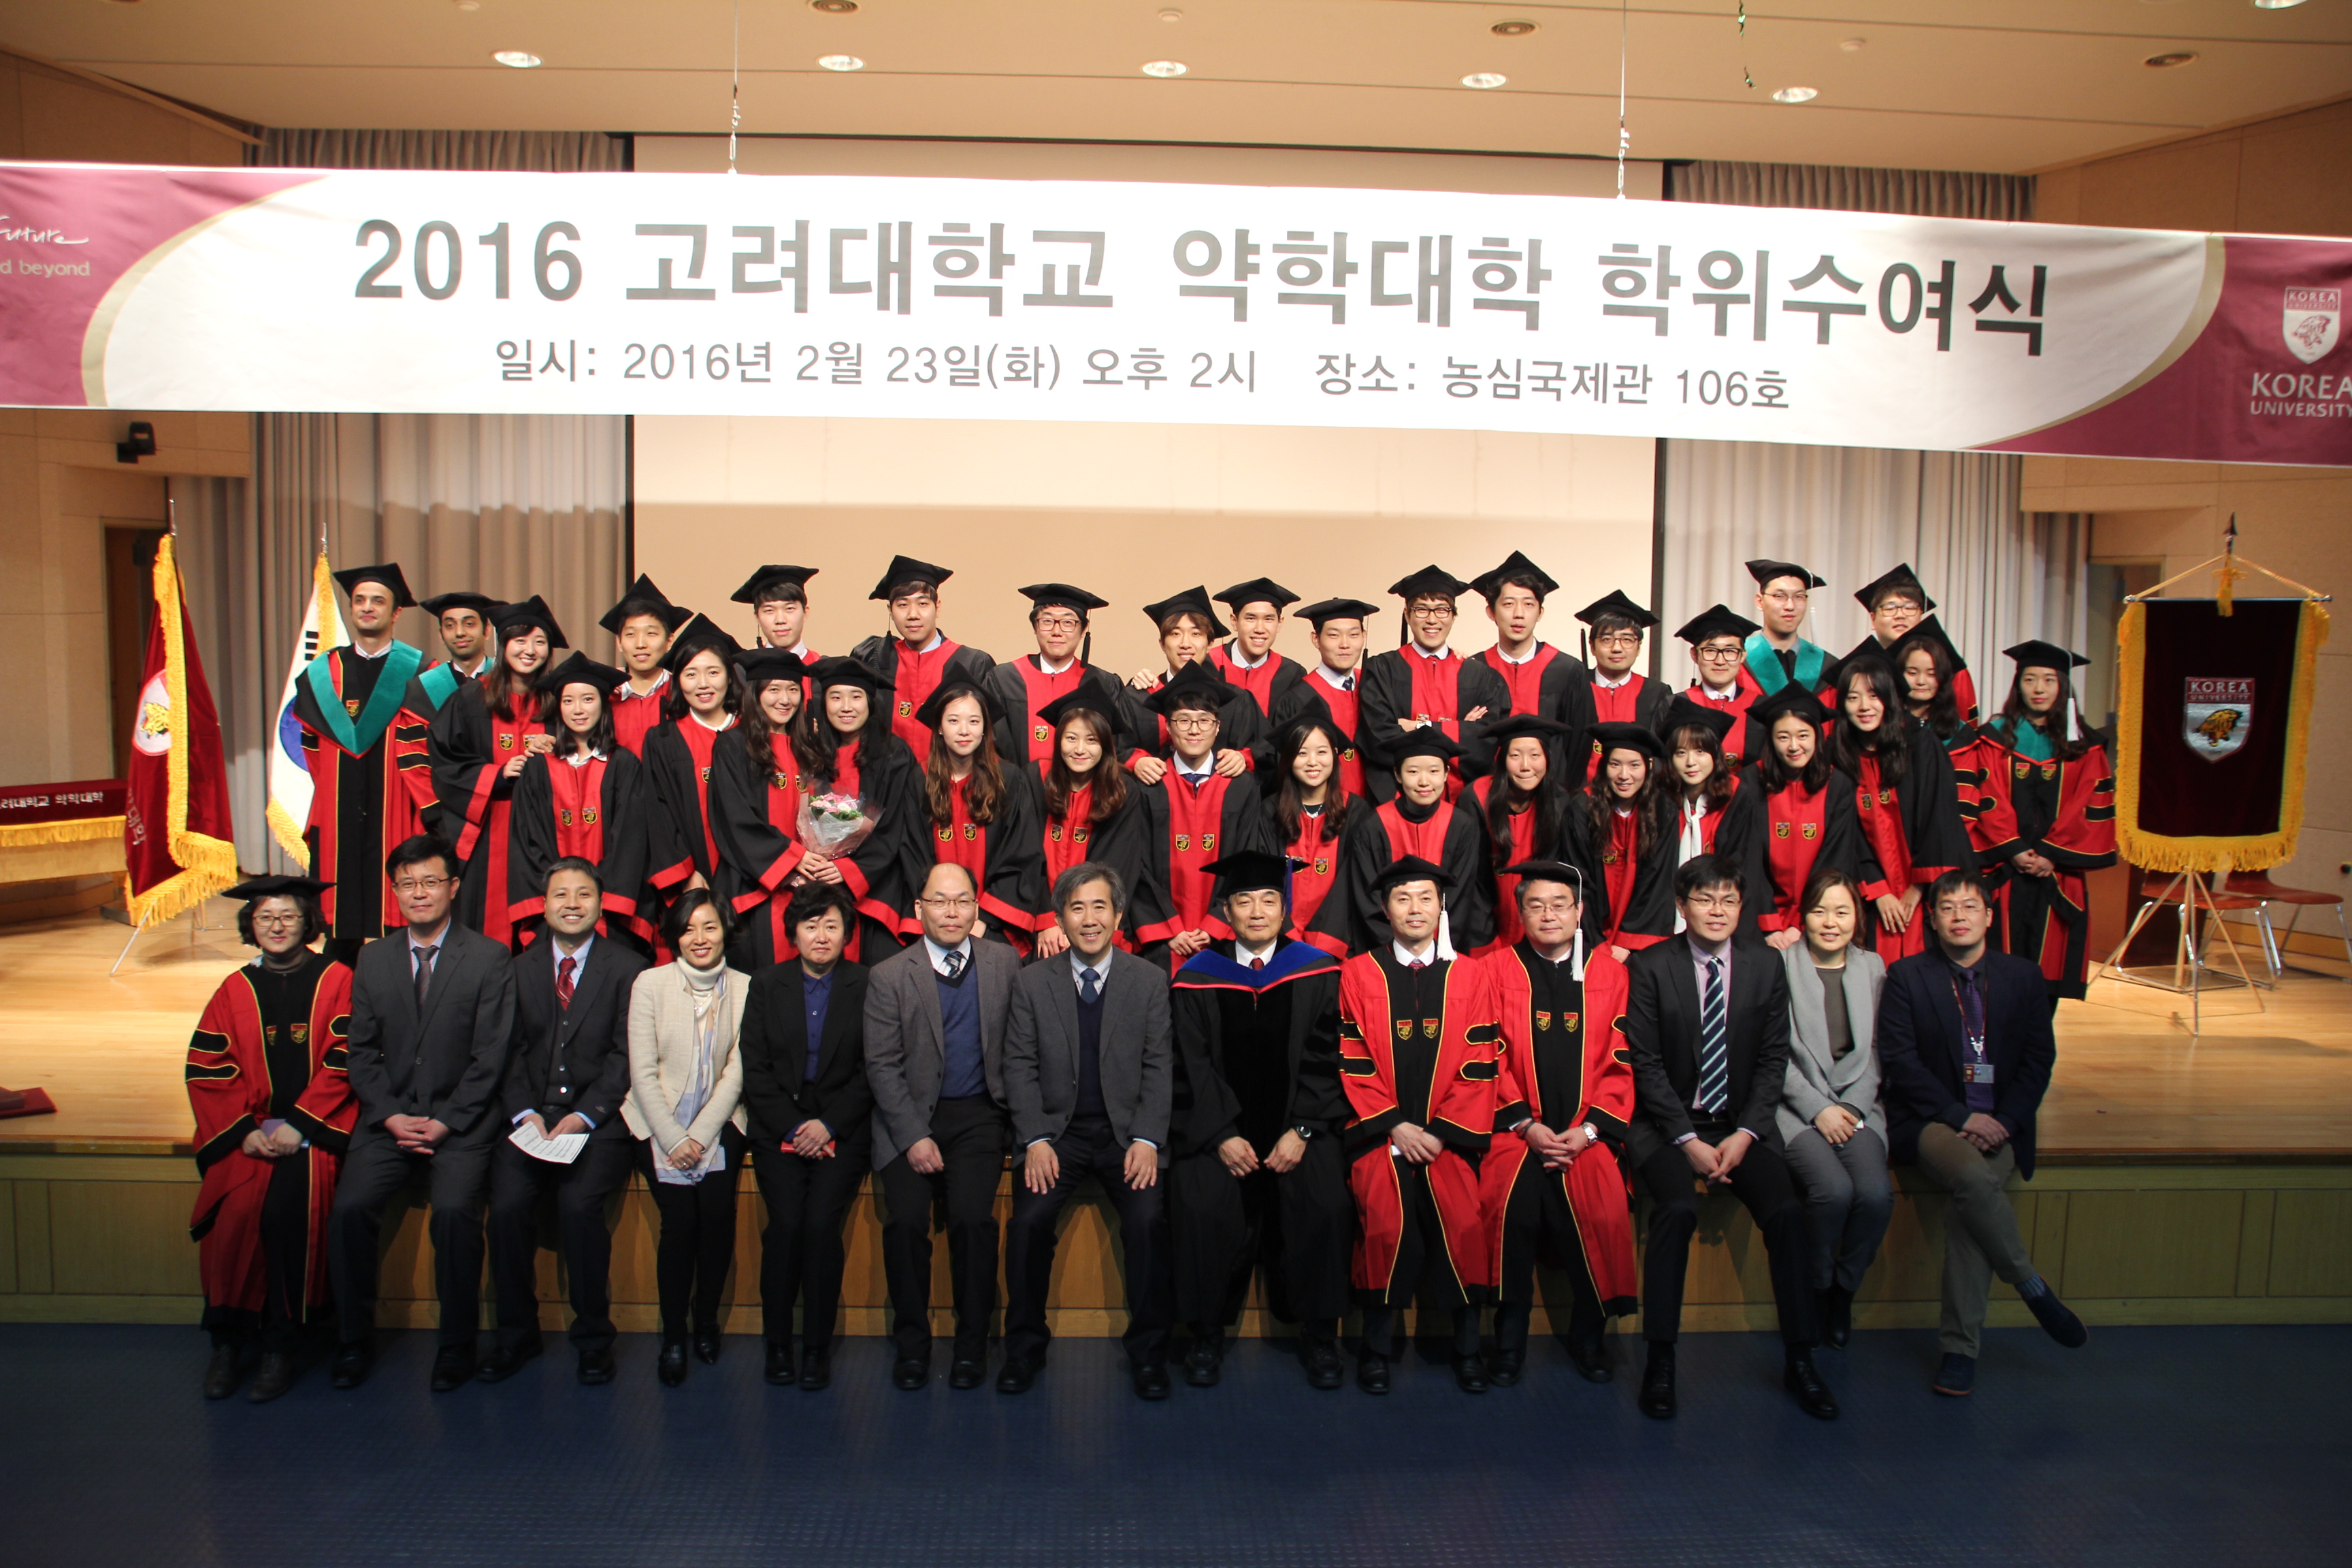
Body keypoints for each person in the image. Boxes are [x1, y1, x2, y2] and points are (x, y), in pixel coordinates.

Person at [1623, 853, 1836, 1422]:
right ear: (1681, 905)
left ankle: (1801, 1358)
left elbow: (1772, 1060)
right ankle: (1661, 1360)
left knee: (1787, 1212)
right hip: (1667, 1125)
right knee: (1675, 1210)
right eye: (1704, 899)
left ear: (1742, 907)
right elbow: (1644, 1064)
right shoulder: (1650, 966)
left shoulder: (1766, 964)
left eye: (1729, 900)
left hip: (1739, 1125)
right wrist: (1686, 1139)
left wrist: (1745, 1134)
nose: (1717, 910)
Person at [1877, 868, 2087, 1397]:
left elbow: (2038, 1060)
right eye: (1947, 908)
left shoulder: (2023, 977)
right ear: (1932, 919)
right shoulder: (1907, 976)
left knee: (1971, 1208)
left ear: (1989, 917)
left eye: (1970, 907)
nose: (1959, 917)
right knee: (1973, 1178)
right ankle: (2030, 1285)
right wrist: (1961, 1116)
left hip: (2002, 1122)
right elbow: (1901, 1063)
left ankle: (1959, 1351)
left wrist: (2008, 1121)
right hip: (1932, 1120)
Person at [327, 833, 518, 1393]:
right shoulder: (373, 957)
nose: (419, 893)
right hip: (389, 1121)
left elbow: (491, 1057)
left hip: (459, 1123)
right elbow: (360, 1052)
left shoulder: (488, 958)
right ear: (394, 892)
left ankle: (456, 1346)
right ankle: (352, 1341)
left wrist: (446, 1121)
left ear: (453, 887)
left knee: (456, 1214)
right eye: (407, 884)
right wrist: (389, 1116)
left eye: (430, 882)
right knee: (350, 1209)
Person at [1167, 850, 1352, 1390]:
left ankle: (1320, 1333)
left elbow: (1329, 1056)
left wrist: (1303, 1130)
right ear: (1225, 911)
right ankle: (1205, 1332)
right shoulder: (1197, 976)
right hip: (1220, 1133)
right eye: (1244, 901)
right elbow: (1189, 1063)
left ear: (1284, 909)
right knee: (1198, 1201)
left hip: (1299, 1130)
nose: (1256, 912)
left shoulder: (1318, 970)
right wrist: (1221, 1134)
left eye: (1268, 900)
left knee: (1326, 1201)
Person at [1000, 863, 1177, 1400]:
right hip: (1059, 1137)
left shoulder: (1149, 980)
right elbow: (1018, 1065)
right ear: (1060, 919)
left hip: (1127, 1137)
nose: (1089, 918)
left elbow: (1159, 1066)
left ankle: (1149, 1353)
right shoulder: (1031, 982)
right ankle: (1023, 1348)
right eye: (1076, 908)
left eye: (1100, 907)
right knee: (1028, 1223)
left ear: (1119, 916)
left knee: (1148, 1222)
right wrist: (1035, 1139)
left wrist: (1147, 1138)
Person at [185, 875, 355, 1404]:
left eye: (288, 916)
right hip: (251, 1131)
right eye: (265, 917)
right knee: (234, 1215)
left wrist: (300, 1123)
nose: (277, 926)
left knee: (289, 1211)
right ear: (251, 925)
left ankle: (282, 1344)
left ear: (308, 922)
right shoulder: (233, 989)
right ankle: (227, 1341)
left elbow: (347, 1058)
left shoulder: (337, 979)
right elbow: (209, 1067)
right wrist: (242, 1131)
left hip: (313, 1130)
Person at [1336, 856, 1503, 1394]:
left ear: (1441, 907)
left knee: (1464, 1226)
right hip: (1381, 1135)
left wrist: (1439, 1131)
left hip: (1448, 1137)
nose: (1415, 908)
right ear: (1385, 909)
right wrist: (1395, 1127)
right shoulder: (1358, 972)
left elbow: (1481, 1060)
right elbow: (1353, 1057)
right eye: (1403, 898)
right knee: (1383, 1227)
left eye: (1426, 898)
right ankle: (1376, 1349)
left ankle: (1468, 1348)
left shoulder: (1471, 974)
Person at [483, 857, 647, 1386]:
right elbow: (505, 1052)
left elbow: (626, 1056)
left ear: (600, 904)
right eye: (561, 895)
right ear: (544, 904)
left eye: (583, 895)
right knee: (506, 1208)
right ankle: (516, 1334)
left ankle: (594, 1338)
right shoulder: (516, 968)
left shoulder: (628, 967)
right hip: (530, 1118)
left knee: (579, 1208)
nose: (572, 904)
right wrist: (524, 1112)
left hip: (597, 1121)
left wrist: (584, 1115)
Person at [863, 862, 1022, 1392]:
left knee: (974, 1222)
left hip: (979, 1115)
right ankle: (913, 1347)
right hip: (909, 1115)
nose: (951, 911)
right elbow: (882, 1066)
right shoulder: (889, 974)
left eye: (961, 901)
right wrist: (913, 1136)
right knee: (906, 1222)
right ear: (919, 909)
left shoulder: (1004, 962)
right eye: (939, 901)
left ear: (976, 908)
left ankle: (972, 1347)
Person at [1480, 861, 1639, 1386]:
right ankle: (1509, 1338)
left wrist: (1589, 1131)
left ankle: (1589, 1335)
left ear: (1579, 911)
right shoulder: (1493, 971)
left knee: (1604, 1207)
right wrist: (1526, 1125)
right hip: (1515, 1130)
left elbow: (1621, 1059)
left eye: (1559, 905)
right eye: (1536, 906)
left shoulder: (1610, 974)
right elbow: (1487, 1056)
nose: (1548, 915)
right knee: (1510, 1208)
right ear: (1520, 913)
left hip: (1585, 1133)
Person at [736, 880, 872, 1391]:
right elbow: (755, 1067)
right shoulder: (767, 984)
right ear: (793, 932)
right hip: (780, 1125)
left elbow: (873, 1067)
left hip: (843, 1125)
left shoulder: (868, 984)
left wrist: (828, 1125)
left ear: (847, 934)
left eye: (831, 926)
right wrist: (795, 1128)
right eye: (811, 925)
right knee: (786, 1225)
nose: (821, 936)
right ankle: (778, 1343)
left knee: (820, 1226)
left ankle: (816, 1347)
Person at [623, 887, 749, 1386]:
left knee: (716, 1218)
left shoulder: (745, 987)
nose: (700, 938)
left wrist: (701, 1133)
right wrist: (675, 1138)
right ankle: (674, 1335)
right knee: (680, 1223)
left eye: (710, 927)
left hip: (720, 1121)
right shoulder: (649, 984)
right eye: (689, 928)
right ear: (675, 935)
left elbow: (737, 1071)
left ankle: (706, 1322)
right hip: (657, 1121)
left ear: (725, 931)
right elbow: (642, 1073)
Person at [1773, 867, 1891, 1353]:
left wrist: (1850, 1106)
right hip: (1794, 1106)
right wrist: (1818, 1108)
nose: (1830, 922)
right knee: (1833, 1192)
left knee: (1875, 1195)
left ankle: (1845, 1288)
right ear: (1803, 916)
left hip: (1856, 1104)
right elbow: (1771, 1053)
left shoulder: (1873, 967)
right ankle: (1818, 1286)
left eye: (1841, 912)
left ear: (1856, 917)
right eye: (1819, 911)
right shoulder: (1780, 965)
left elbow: (1879, 1050)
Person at [1973, 642, 2119, 1007]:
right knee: (1997, 976)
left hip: (2058, 872)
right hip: (2005, 869)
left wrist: (2051, 854)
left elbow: (2086, 803)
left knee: (2048, 975)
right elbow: (1988, 796)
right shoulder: (1994, 738)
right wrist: (2015, 848)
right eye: (2030, 679)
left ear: (2063, 687)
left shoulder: (2085, 746)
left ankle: (2038, 1042)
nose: (2039, 688)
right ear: (2018, 685)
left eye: (2049, 680)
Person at [296, 564, 426, 960]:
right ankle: (337, 991)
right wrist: (335, 790)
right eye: (360, 600)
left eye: (378, 601)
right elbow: (312, 748)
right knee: (341, 923)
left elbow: (427, 750)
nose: (368, 608)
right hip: (339, 810)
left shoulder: (420, 672)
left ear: (396, 612)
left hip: (396, 813)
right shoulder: (322, 674)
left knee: (398, 925)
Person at [506, 652, 676, 955]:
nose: (578, 709)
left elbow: (630, 842)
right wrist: (560, 896)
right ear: (558, 707)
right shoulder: (537, 768)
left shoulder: (624, 765)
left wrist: (597, 898)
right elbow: (527, 841)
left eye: (588, 699)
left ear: (602, 704)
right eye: (568, 701)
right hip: (552, 915)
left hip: (612, 915)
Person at [425, 594, 561, 949]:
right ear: (502, 645)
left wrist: (556, 751)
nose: (529, 650)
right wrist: (496, 775)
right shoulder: (469, 700)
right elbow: (445, 761)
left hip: (544, 830)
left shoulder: (560, 702)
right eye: (520, 640)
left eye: (539, 642)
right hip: (487, 829)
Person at [1829, 654, 1974, 963]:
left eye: (1874, 695)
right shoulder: (1837, 756)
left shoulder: (1921, 746)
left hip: (1926, 891)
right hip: (1870, 894)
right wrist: (1879, 891)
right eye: (1853, 698)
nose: (1864, 706)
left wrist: (1918, 888)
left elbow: (1940, 819)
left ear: (1890, 698)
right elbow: (1846, 833)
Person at [1134, 663, 1275, 964]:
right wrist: (1169, 928)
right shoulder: (1148, 786)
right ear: (1168, 727)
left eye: (1204, 721)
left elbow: (1247, 859)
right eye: (1183, 721)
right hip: (1163, 943)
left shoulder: (1241, 786)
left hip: (1224, 936)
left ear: (1218, 727)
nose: (1195, 730)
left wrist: (1216, 924)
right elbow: (1136, 864)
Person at [1024, 679, 1169, 957]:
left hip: (1095, 924)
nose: (1080, 749)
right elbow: (1026, 854)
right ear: (1058, 740)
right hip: (1039, 923)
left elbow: (1116, 865)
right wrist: (1048, 919)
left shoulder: (1123, 791)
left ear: (1105, 745)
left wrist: (1077, 922)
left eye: (1092, 740)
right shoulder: (1035, 779)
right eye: (1071, 738)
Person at [792, 654, 921, 960]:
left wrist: (847, 870)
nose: (846, 707)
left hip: (876, 888)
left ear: (871, 703)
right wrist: (813, 862)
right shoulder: (810, 752)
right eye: (836, 697)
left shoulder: (894, 755)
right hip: (817, 881)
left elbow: (896, 827)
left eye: (856, 696)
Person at [909, 679, 1047, 951]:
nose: (964, 730)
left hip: (993, 925)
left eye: (974, 721)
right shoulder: (918, 781)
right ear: (939, 727)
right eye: (953, 721)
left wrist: (983, 918)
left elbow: (1022, 853)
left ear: (985, 728)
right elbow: (911, 853)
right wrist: (938, 913)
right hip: (932, 924)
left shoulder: (1009, 780)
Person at [1337, 728, 1494, 956]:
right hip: (1387, 949)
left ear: (1446, 774)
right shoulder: (1373, 826)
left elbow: (1460, 897)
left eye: (1434, 771)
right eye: (1413, 771)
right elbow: (1367, 898)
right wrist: (1398, 951)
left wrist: (1431, 950)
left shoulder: (1462, 826)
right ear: (1398, 775)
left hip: (1443, 947)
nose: (1424, 781)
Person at [1358, 565, 1508, 802]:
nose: (1431, 619)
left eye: (1442, 610)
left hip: (1461, 804)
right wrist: (1460, 729)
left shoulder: (1479, 675)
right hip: (1396, 802)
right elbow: (1378, 738)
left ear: (1453, 616)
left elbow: (1486, 742)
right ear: (1407, 614)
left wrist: (1416, 727)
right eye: (1421, 609)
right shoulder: (1382, 669)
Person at [707, 647, 815, 967]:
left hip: (808, 888)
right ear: (756, 694)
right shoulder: (732, 745)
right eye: (774, 690)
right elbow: (735, 818)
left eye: (793, 690)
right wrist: (794, 860)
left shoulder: (809, 748)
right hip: (754, 890)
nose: (785, 699)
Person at [1740, 684, 1868, 951]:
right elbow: (1749, 861)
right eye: (1783, 737)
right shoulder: (1749, 784)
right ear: (1770, 739)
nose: (1794, 746)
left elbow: (1836, 858)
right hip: (1761, 922)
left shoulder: (1838, 786)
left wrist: (1803, 922)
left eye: (1803, 735)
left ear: (1817, 737)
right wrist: (1770, 923)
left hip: (1820, 921)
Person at [640, 615, 745, 909]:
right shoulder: (664, 741)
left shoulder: (753, 733)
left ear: (729, 676)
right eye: (690, 674)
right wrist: (685, 873)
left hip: (755, 878)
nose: (703, 684)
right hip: (695, 878)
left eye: (713, 672)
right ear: (677, 681)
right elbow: (658, 813)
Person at [849, 554, 995, 758]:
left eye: (923, 604)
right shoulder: (872, 658)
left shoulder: (971, 663)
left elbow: (988, 737)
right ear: (890, 610)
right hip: (885, 774)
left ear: (938, 607)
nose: (913, 614)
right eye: (903, 605)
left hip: (946, 774)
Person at [1470, 713, 1590, 955]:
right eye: (1515, 756)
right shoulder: (1476, 798)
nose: (1526, 766)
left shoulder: (1560, 803)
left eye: (1535, 755)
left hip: (1542, 929)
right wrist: (1483, 941)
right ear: (1502, 760)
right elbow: (1474, 881)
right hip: (1484, 928)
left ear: (1548, 759)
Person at [1123, 587, 1262, 778]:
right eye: (1175, 634)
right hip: (1151, 794)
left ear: (1210, 643)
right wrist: (1136, 761)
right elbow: (1114, 746)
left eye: (1196, 634)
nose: (1186, 644)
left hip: (1220, 795)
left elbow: (1264, 748)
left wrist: (1243, 757)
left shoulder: (1236, 699)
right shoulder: (1137, 698)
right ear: (1162, 644)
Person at [988, 582, 1122, 768]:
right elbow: (992, 745)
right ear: (1035, 627)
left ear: (1083, 630)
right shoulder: (1004, 679)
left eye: (1068, 623)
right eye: (1047, 621)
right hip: (1015, 784)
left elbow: (1116, 747)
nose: (1057, 632)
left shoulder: (1103, 683)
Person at [1471, 551, 1598, 747]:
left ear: (1540, 613)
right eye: (1508, 604)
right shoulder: (1474, 670)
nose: (1519, 614)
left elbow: (1579, 745)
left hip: (1553, 768)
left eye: (1529, 604)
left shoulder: (1567, 670)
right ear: (1491, 612)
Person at [1262, 713, 1356, 953]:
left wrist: (1324, 943)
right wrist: (1288, 936)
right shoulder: (1269, 811)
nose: (1313, 762)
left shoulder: (1356, 813)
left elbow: (1352, 885)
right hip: (1278, 941)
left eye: (1322, 752)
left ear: (1335, 755)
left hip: (1336, 944)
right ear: (1288, 758)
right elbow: (1264, 880)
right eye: (1302, 753)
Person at [1580, 722, 1675, 960]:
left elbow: (1658, 881)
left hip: (1639, 940)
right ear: (1604, 766)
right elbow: (1579, 880)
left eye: (1634, 765)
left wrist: (1626, 943)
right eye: (1615, 764)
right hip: (1590, 937)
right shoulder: (1582, 809)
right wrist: (1596, 942)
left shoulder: (1663, 811)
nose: (1624, 775)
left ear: (1648, 766)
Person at [1271, 595, 1379, 801]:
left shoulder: (1375, 686)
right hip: (1323, 807)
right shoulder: (1299, 698)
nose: (1345, 644)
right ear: (1316, 639)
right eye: (1334, 635)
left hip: (1374, 806)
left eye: (1354, 635)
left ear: (1364, 636)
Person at [1842, 565, 1978, 721]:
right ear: (1873, 619)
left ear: (1921, 615)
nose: (1900, 615)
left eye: (1910, 607)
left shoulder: (1952, 671)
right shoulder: (1861, 671)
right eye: (1890, 608)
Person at [1661, 697, 1761, 896]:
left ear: (1715, 755)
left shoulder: (1737, 796)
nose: (1691, 762)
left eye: (1700, 751)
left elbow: (1744, 862)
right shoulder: (1661, 797)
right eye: (1681, 753)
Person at [1572, 590, 1669, 772]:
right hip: (1581, 789)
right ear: (1592, 646)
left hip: (1638, 789)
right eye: (1607, 639)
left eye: (1627, 640)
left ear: (1639, 647)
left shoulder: (1656, 693)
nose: (1617, 648)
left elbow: (1661, 755)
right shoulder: (1574, 689)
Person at [602, 573, 693, 756]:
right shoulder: (605, 698)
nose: (640, 644)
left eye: (651, 634)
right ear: (619, 642)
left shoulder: (685, 694)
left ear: (669, 641)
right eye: (631, 634)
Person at [1674, 604, 1765, 768]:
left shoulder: (1760, 709)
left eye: (1730, 651)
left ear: (1743, 656)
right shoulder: (1675, 706)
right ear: (1695, 655)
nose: (1720, 661)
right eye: (1710, 651)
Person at [1207, 577, 1307, 718]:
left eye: (1268, 619)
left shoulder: (1292, 675)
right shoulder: (1207, 666)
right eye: (1251, 618)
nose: (1260, 629)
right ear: (1234, 622)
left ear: (1280, 623)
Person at [1744, 558, 1834, 702]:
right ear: (1760, 602)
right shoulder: (1739, 660)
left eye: (1799, 597)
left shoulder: (1827, 666)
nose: (1790, 606)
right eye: (1780, 596)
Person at [733, 562, 820, 659]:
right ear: (757, 617)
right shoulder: (743, 667)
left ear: (805, 613)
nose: (780, 620)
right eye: (769, 610)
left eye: (789, 609)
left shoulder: (825, 667)